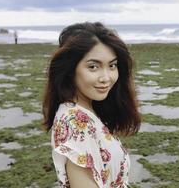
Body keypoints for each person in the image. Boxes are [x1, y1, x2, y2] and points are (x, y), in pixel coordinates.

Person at [42, 22, 141, 188]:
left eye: (112, 65)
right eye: (93, 67)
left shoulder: (83, 110)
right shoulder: (76, 123)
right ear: (70, 69)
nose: (106, 77)